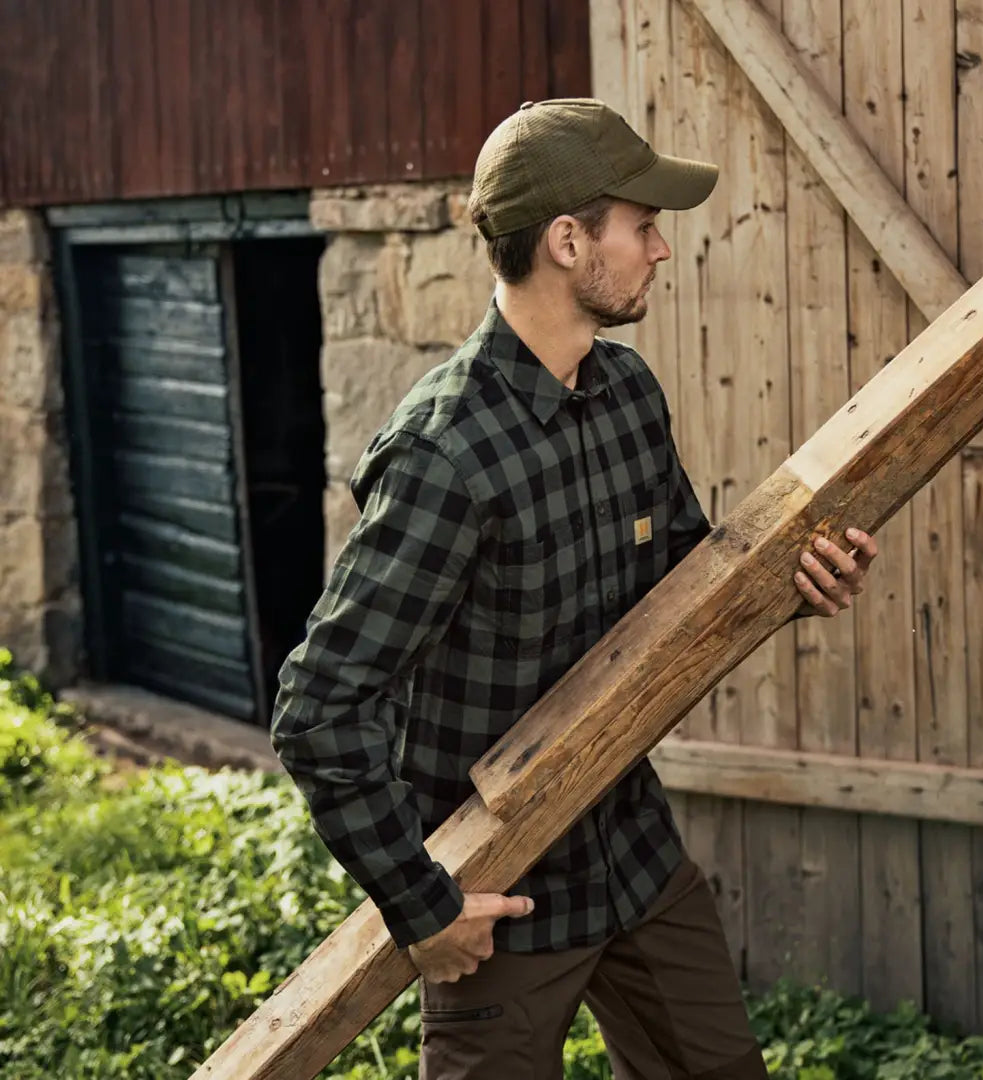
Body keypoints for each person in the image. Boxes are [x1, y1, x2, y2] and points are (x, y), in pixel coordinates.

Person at [272, 98, 878, 1080]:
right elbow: (318, 709)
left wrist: (791, 580)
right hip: (503, 899)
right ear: (567, 240)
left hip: (633, 853)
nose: (660, 250)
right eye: (641, 226)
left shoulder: (627, 392)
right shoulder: (446, 453)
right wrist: (422, 908)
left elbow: (688, 579)